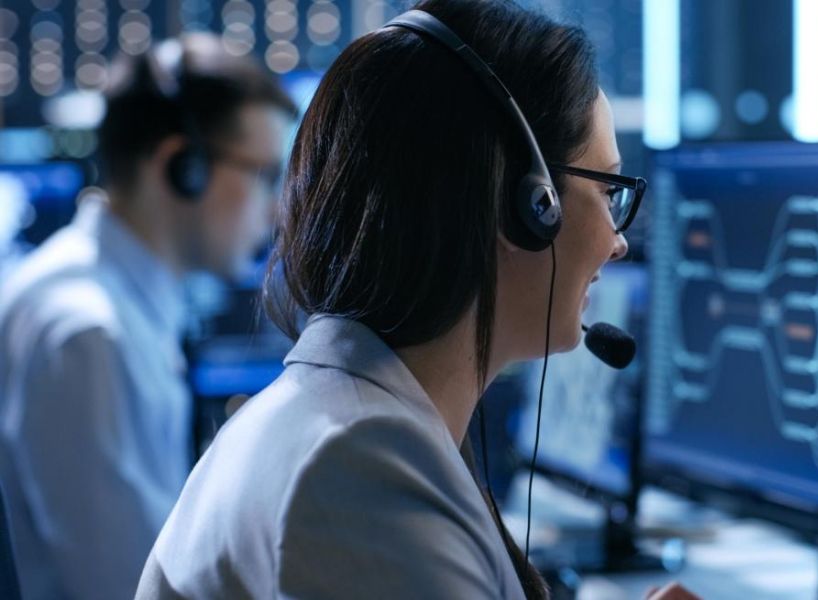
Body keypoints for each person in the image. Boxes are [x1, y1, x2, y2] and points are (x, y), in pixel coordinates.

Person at [136, 1, 697, 598]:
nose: (618, 242)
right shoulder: (359, 474)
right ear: (528, 205)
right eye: (608, 190)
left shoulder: (343, 425)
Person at [0, 34, 295, 599]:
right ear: (183, 168)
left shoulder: (100, 300)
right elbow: (132, 587)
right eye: (262, 173)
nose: (276, 206)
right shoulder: (90, 338)